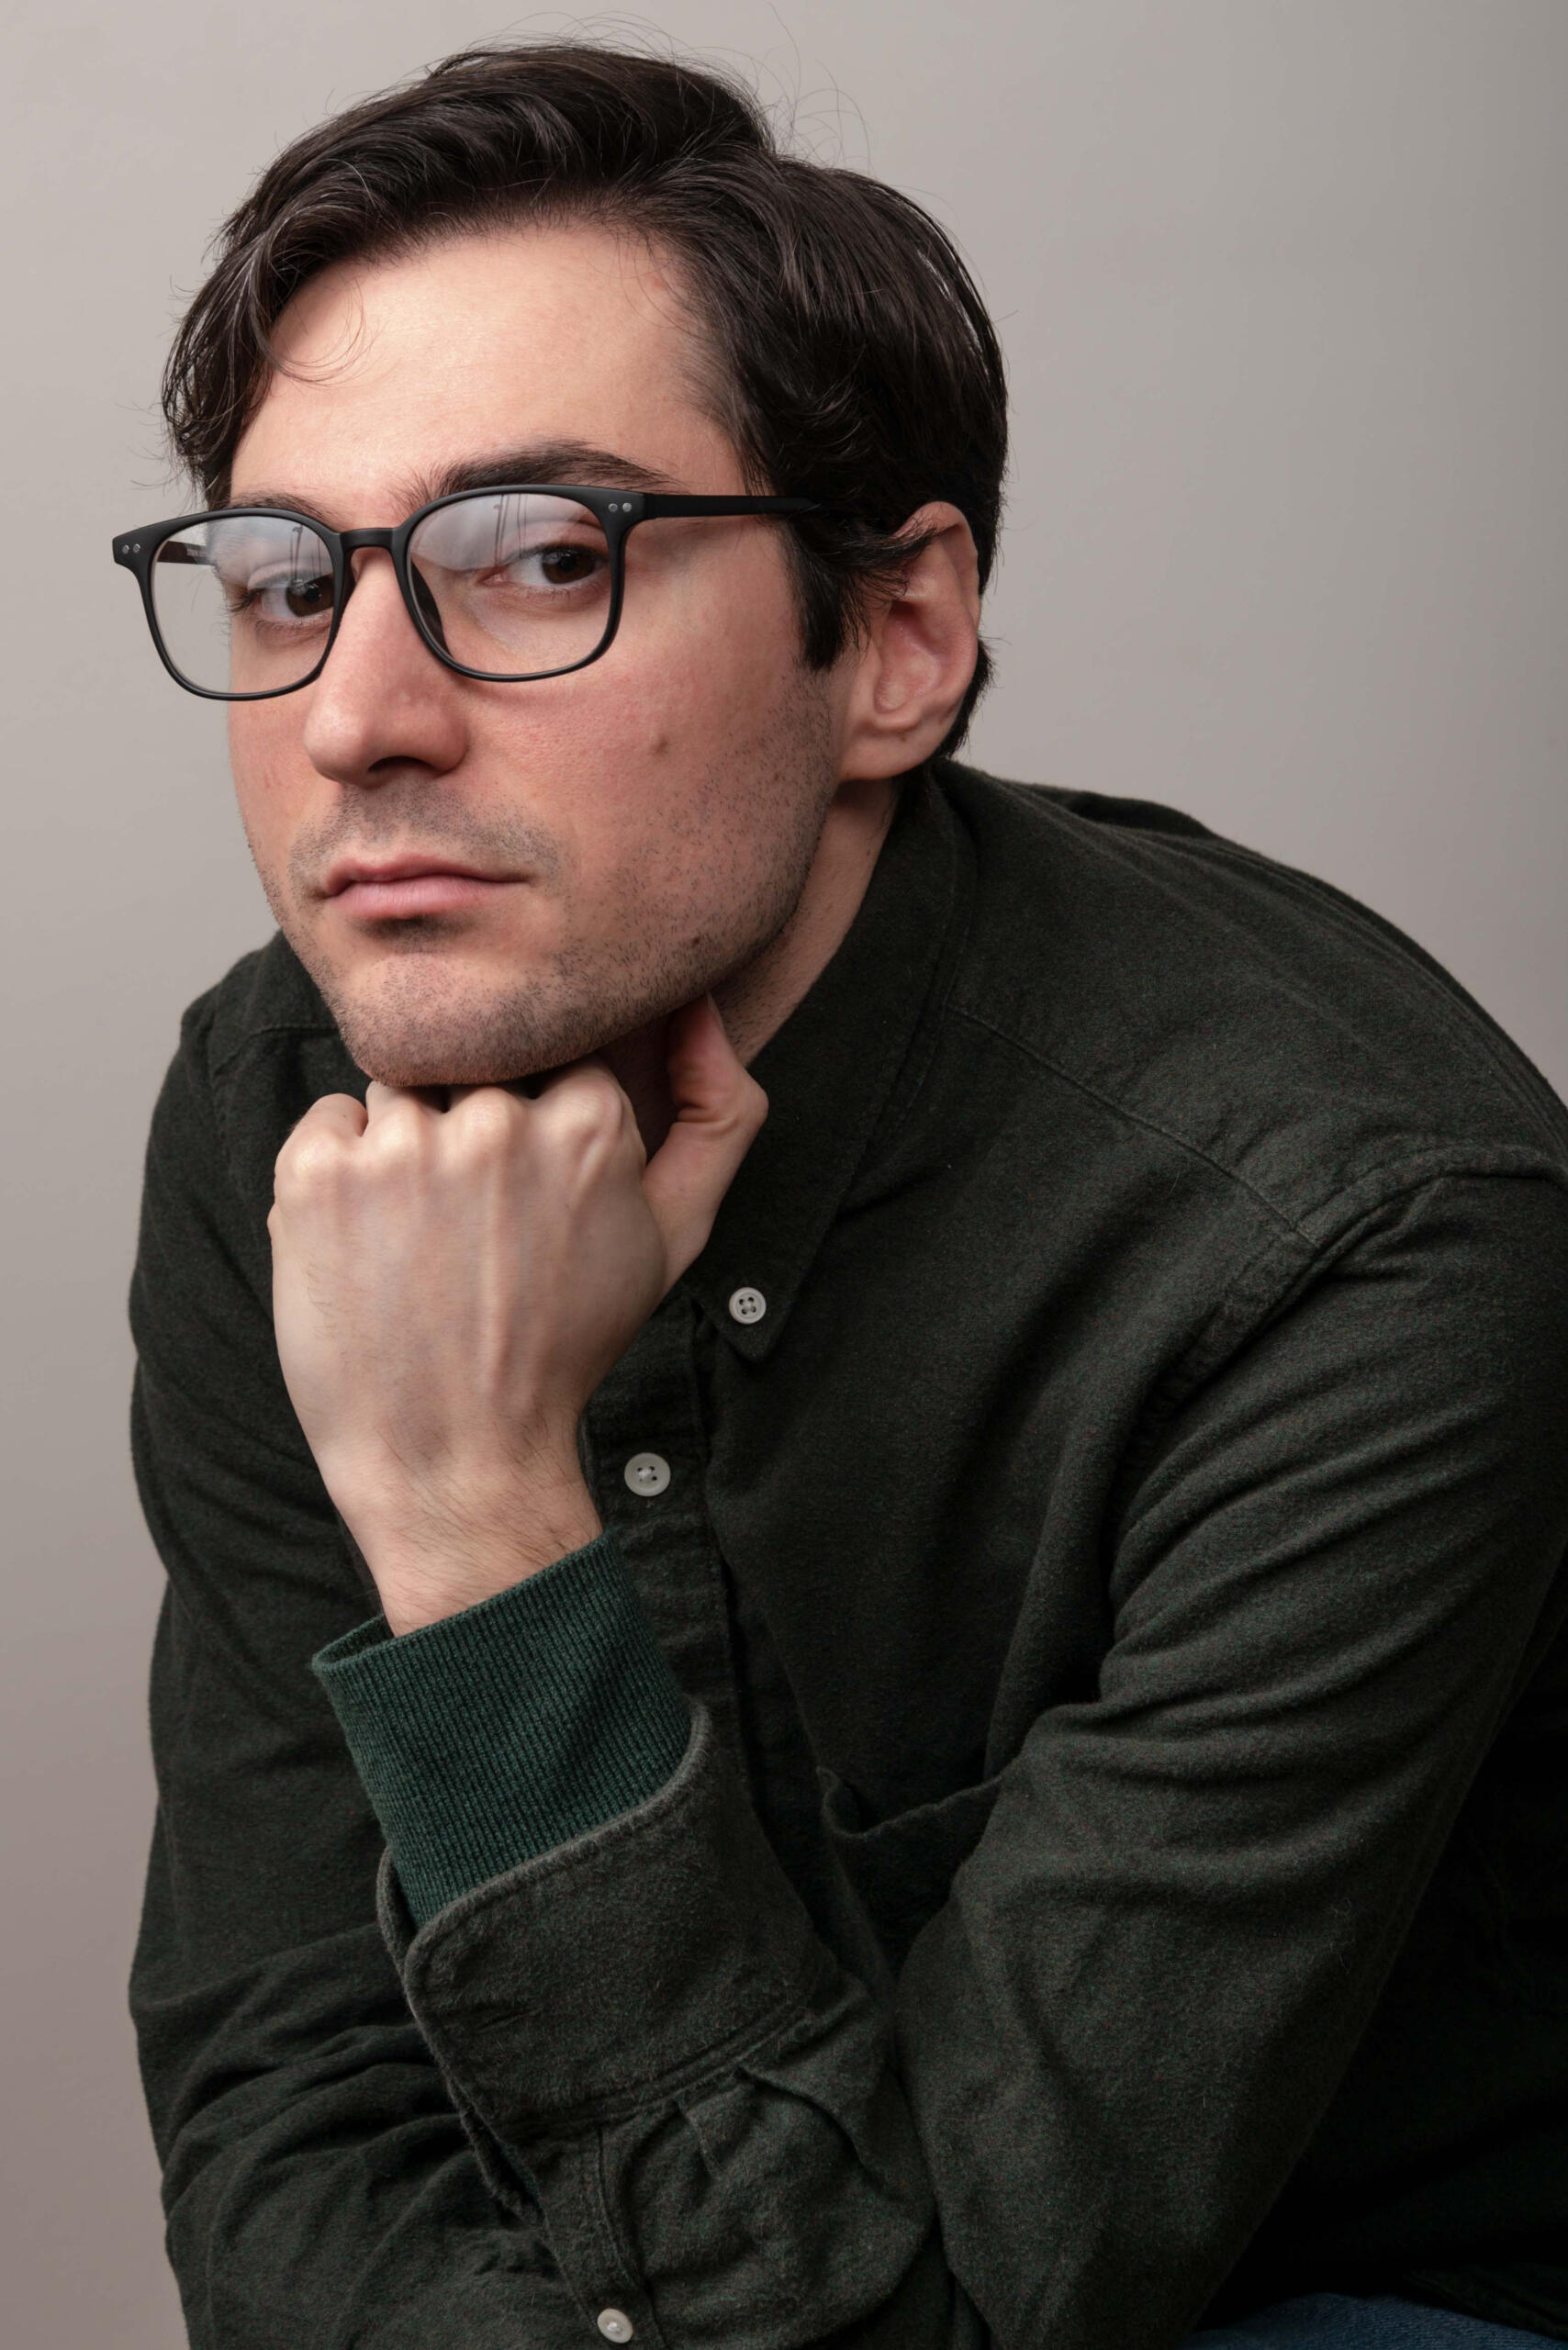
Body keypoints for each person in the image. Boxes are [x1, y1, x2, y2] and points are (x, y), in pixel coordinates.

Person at [117, 41, 1568, 2350]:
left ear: (894, 639)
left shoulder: (1358, 1240)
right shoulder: (283, 1106)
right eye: (287, 582)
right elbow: (290, 2116)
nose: (352, 716)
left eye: (541, 557)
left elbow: (945, 2320)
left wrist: (475, 1517)